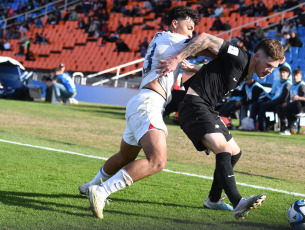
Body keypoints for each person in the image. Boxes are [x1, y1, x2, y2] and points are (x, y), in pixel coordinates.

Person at [79, 6, 200, 219]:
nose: (191, 33)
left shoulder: (163, 39)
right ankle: (101, 190)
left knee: (126, 155)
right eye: (189, 27)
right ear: (175, 24)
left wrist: (195, 68)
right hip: (149, 104)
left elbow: (187, 62)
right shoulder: (174, 39)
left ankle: (91, 185)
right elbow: (206, 44)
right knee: (157, 161)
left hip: (141, 102)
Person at [156, 37, 285, 219]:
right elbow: (206, 38)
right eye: (269, 65)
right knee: (223, 148)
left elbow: (217, 72)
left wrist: (194, 68)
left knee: (235, 152)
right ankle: (238, 202)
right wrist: (176, 59)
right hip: (194, 106)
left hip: (207, 109)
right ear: (256, 56)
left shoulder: (247, 72)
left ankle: (214, 200)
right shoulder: (239, 56)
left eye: (274, 68)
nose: (271, 71)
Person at [257, 66, 291, 131]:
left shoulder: (287, 84)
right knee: (258, 103)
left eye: (284, 72)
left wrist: (271, 102)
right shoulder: (280, 83)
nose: (282, 74)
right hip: (275, 101)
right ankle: (265, 123)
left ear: (288, 74)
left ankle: (261, 127)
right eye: (281, 72)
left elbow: (283, 97)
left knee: (263, 105)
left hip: (280, 102)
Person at [275, 68, 305, 135]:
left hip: (299, 105)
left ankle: (289, 127)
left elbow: (303, 97)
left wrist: (292, 100)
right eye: (294, 76)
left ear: (300, 76)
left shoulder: (302, 85)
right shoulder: (292, 85)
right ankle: (284, 127)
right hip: (292, 103)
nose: (295, 77)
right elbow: (290, 96)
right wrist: (286, 102)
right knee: (279, 107)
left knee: (287, 109)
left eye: (297, 76)